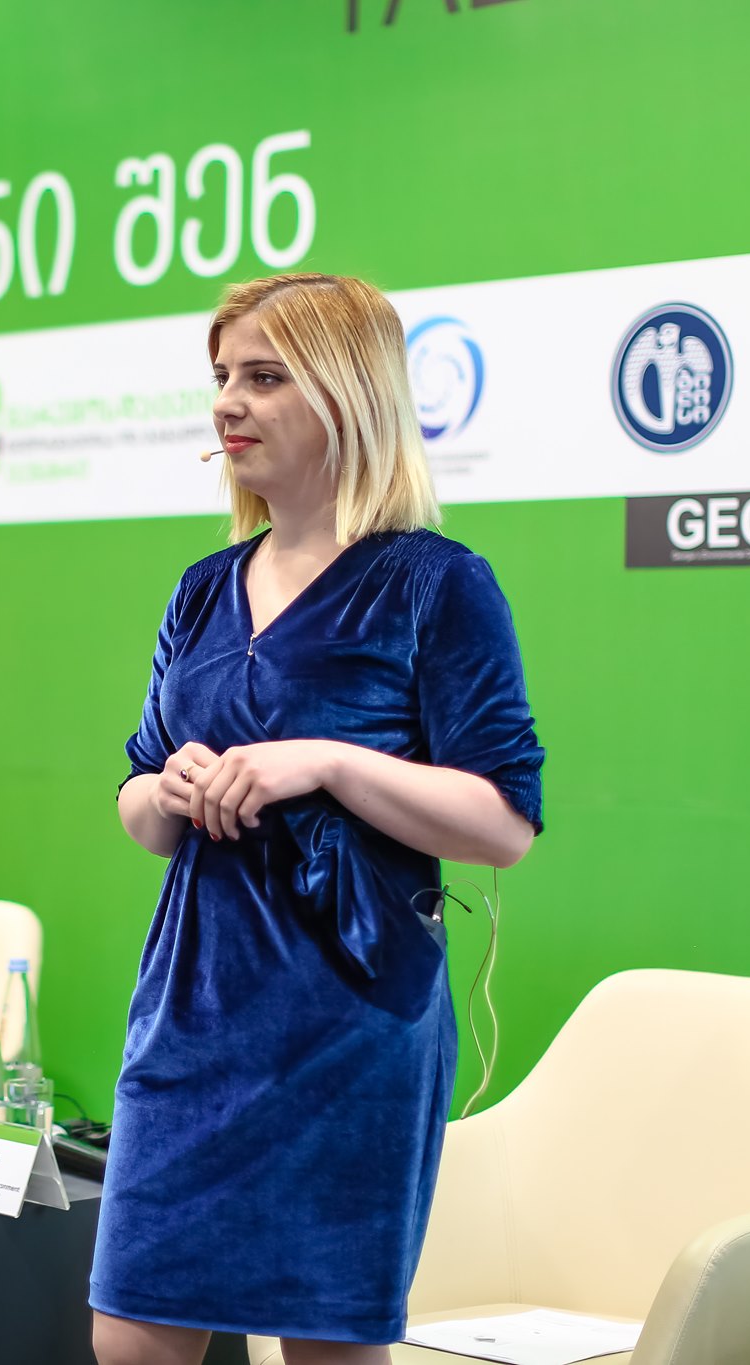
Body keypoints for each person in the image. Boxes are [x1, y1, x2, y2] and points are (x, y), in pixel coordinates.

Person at [90, 274, 545, 1365]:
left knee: (324, 1348)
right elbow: (138, 806)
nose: (227, 403)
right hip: (189, 1017)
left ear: (347, 392)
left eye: (263, 377)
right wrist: (172, 789)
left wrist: (329, 763)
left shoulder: (434, 584)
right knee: (129, 1341)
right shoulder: (200, 590)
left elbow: (502, 823)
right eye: (221, 377)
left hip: (349, 1027)